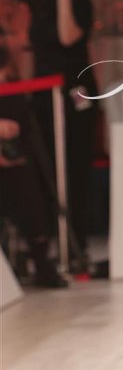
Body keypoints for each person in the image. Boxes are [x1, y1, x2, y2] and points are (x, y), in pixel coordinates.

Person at [0, 0, 98, 274]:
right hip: (44, 93)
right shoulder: (37, 2)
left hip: (76, 93)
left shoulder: (81, 3)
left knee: (76, 167)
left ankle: (77, 243)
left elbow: (68, 37)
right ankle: (49, 245)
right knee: (45, 167)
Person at [0, 46, 68, 288]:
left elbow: (26, 130)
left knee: (28, 186)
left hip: (17, 163)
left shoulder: (14, 92)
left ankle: (41, 261)